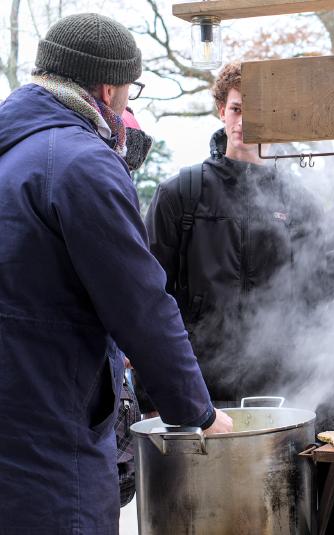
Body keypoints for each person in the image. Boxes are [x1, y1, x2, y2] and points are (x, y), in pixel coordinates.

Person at [0, 13, 232, 532]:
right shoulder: (82, 162)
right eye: (131, 88)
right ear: (109, 88)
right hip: (49, 429)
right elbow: (141, 305)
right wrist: (197, 411)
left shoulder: (12, 150)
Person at [145, 61, 329, 408]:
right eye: (237, 109)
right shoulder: (181, 192)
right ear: (221, 111)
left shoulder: (301, 202)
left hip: (279, 381)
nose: (244, 121)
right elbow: (149, 290)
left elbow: (318, 296)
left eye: (257, 112)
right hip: (198, 377)